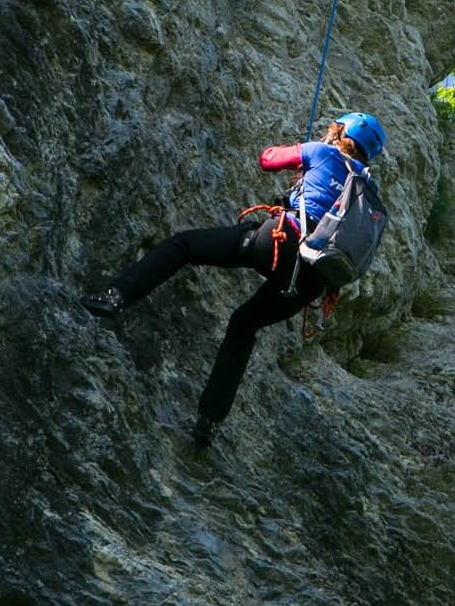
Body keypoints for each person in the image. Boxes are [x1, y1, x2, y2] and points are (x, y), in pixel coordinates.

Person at [82, 112, 389, 448]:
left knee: (183, 246)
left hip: (280, 242)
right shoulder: (366, 191)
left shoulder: (323, 152)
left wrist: (303, 154)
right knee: (244, 325)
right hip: (311, 280)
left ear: (338, 132)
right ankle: (209, 421)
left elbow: (267, 159)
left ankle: (116, 297)